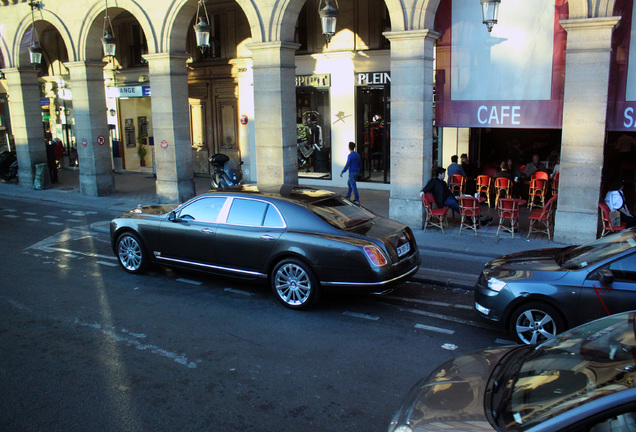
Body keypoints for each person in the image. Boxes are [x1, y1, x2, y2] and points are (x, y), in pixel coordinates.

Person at [421, 167, 493, 227]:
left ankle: (477, 219)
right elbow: (428, 187)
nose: (444, 176)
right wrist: (422, 191)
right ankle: (476, 219)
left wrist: (455, 196)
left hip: (449, 198)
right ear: (439, 174)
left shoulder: (443, 182)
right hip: (444, 201)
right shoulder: (434, 181)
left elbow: (448, 192)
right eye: (443, 174)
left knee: (464, 205)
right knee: (460, 208)